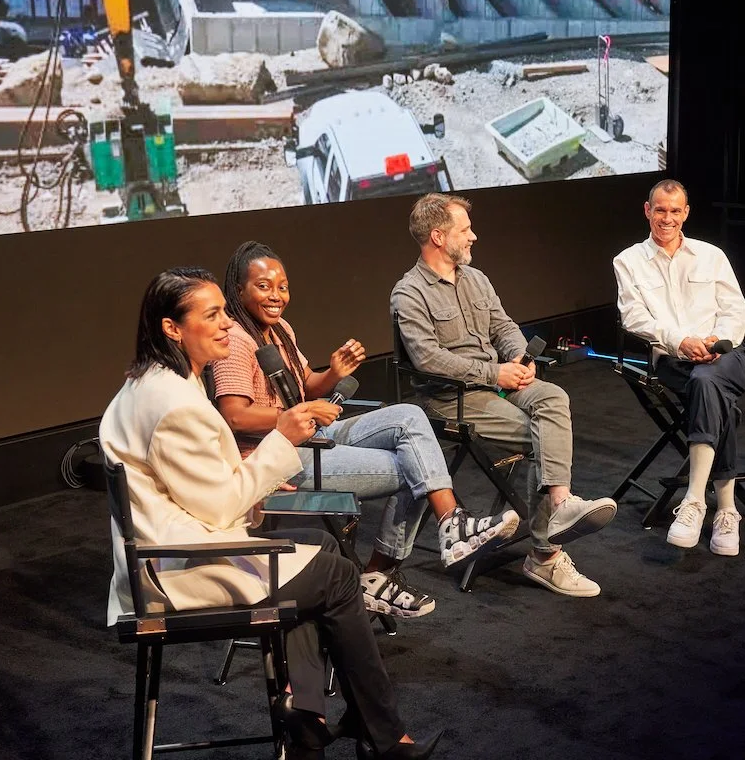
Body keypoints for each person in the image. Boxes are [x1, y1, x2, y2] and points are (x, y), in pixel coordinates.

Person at [99, 267, 441, 760]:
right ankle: (384, 735)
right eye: (211, 315)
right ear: (172, 328)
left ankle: (309, 719)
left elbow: (192, 481)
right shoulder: (174, 404)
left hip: (168, 546)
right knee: (339, 577)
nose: (226, 324)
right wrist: (280, 440)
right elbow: (219, 507)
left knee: (320, 547)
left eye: (224, 312)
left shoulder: (152, 382)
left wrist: (254, 473)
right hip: (176, 566)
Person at [211, 241, 519, 619]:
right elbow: (234, 416)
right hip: (278, 459)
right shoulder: (236, 340)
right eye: (263, 286)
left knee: (408, 417)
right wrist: (292, 414)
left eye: (283, 286)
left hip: (311, 435)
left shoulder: (280, 330)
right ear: (238, 290)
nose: (276, 295)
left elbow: (307, 384)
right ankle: (380, 572)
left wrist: (333, 372)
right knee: (417, 467)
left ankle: (450, 525)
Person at [391, 193, 617, 598]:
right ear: (438, 236)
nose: (473, 236)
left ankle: (560, 503)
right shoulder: (409, 293)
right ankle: (545, 554)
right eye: (465, 230)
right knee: (543, 437)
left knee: (553, 398)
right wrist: (494, 372)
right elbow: (428, 359)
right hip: (451, 398)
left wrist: (518, 355)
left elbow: (504, 326)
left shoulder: (476, 279)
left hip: (497, 384)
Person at [613, 179, 745, 555]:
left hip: (726, 355)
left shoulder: (711, 255)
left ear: (686, 213)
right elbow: (633, 317)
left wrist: (716, 340)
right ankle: (727, 510)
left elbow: (735, 309)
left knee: (708, 381)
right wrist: (681, 341)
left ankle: (694, 499)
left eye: (675, 211)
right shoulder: (628, 261)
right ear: (647, 211)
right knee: (714, 395)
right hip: (674, 360)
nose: (667, 218)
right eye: (660, 209)